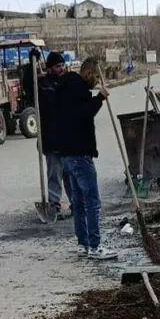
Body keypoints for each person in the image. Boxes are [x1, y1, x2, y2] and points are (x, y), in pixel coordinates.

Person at [53, 58, 117, 260]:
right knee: (92, 201)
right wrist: (100, 98)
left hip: (68, 154)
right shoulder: (77, 89)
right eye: (96, 77)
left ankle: (83, 243)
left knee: (79, 201)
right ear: (88, 73)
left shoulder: (66, 87)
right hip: (80, 153)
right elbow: (84, 114)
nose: (97, 81)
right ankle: (95, 247)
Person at [38, 52, 73, 219]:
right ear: (50, 68)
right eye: (58, 66)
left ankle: (76, 203)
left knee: (71, 174)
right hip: (51, 138)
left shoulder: (67, 82)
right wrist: (30, 67)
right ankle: (54, 206)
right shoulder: (43, 85)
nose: (62, 68)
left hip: (68, 138)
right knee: (54, 175)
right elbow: (30, 88)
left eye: (63, 65)